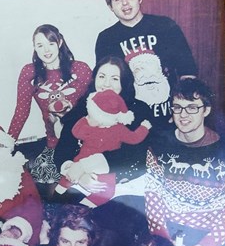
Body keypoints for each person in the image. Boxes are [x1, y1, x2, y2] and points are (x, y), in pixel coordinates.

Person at [144, 78, 225, 246]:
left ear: (206, 110)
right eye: (177, 107)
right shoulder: (159, 144)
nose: (183, 115)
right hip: (167, 228)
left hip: (208, 233)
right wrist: (163, 239)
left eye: (192, 108)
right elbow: (153, 195)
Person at [53, 56, 154, 209]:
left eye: (114, 78)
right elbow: (63, 148)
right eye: (102, 77)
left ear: (124, 82)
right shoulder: (83, 106)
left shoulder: (138, 110)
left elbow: (133, 154)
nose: (106, 83)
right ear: (94, 80)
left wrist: (85, 167)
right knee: (62, 215)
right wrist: (79, 174)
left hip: (122, 183)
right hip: (78, 179)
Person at [95, 0, 198, 132]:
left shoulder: (165, 25)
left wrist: (182, 112)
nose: (125, 3)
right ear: (110, 6)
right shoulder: (106, 38)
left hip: (170, 117)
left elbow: (188, 71)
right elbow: (106, 85)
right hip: (131, 121)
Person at [8, 24, 92, 191]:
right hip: (54, 147)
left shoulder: (81, 69)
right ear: (35, 48)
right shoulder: (29, 73)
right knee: (52, 196)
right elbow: (21, 112)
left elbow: (95, 105)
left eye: (51, 43)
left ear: (59, 43)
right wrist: (6, 145)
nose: (46, 50)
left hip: (87, 145)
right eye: (40, 45)